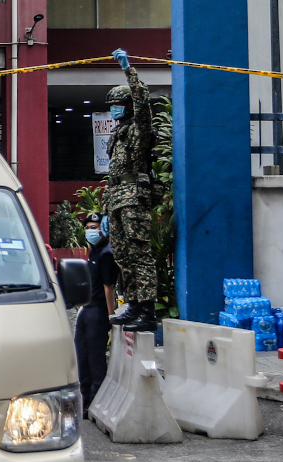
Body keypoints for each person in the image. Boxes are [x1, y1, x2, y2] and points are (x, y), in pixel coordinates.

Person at [103, 47, 158, 332]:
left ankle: (147, 310)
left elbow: (143, 100)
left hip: (134, 198)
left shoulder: (139, 128)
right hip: (116, 200)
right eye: (111, 104)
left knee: (139, 254)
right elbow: (111, 176)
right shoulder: (116, 136)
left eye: (118, 103)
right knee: (122, 255)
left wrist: (128, 69)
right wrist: (103, 210)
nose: (114, 108)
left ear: (127, 105)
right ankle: (134, 304)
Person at [74, 212, 118, 416]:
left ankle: (95, 402)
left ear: (104, 229)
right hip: (87, 308)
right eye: (89, 227)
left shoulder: (106, 253)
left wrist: (111, 316)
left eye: (96, 227)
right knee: (82, 357)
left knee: (95, 360)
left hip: (98, 311)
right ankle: (84, 401)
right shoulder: (94, 251)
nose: (92, 231)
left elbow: (108, 287)